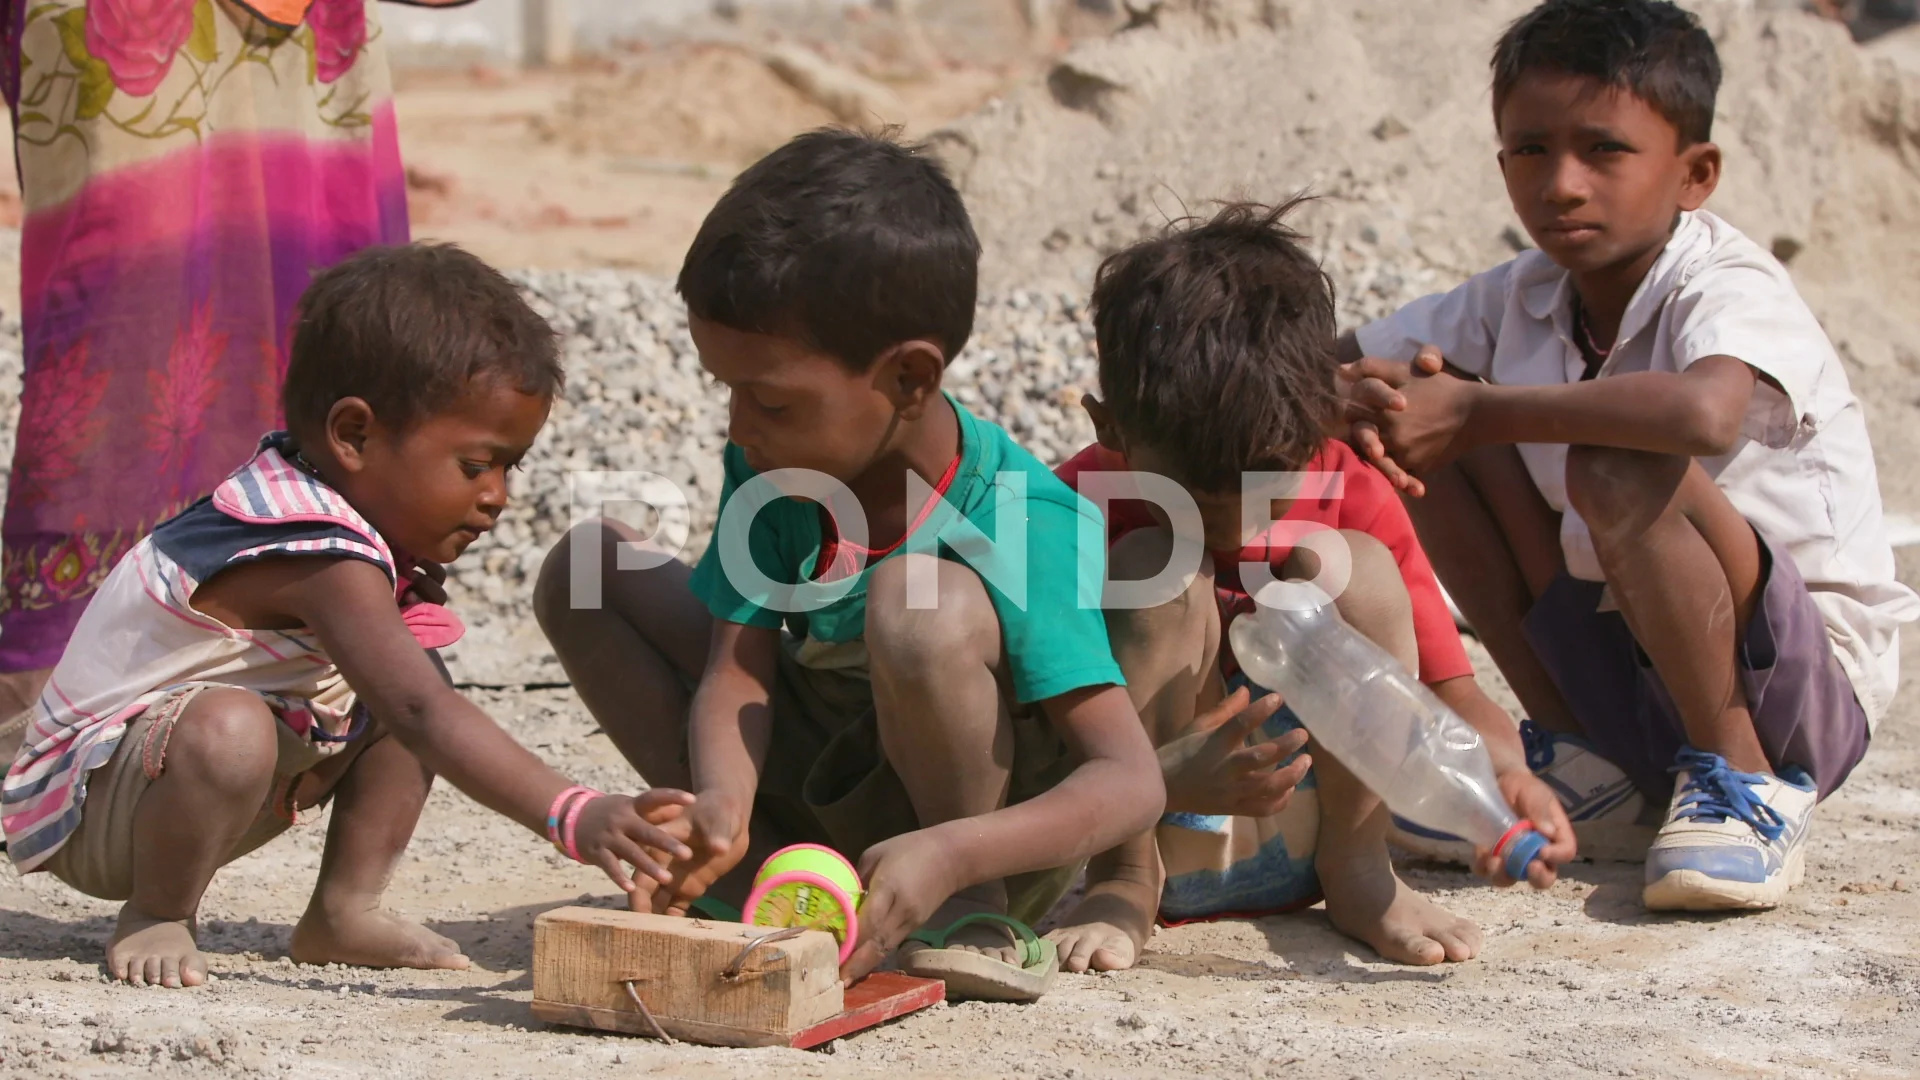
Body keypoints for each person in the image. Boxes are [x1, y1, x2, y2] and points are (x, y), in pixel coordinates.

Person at [534, 129, 1164, 1002]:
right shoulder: (778, 468)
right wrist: (720, 800)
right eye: (727, 387)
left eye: (770, 397)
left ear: (909, 377)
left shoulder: (1024, 518)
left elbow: (1129, 781)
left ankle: (973, 919)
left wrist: (954, 854)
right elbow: (736, 668)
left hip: (962, 842)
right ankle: (747, 873)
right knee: (587, 566)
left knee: (918, 602)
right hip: (824, 779)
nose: (736, 424)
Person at [1340, 0, 1919, 911]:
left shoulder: (1729, 282)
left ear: (1695, 175)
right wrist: (1352, 394)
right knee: (1415, 413)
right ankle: (1589, 767)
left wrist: (1484, 411)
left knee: (1612, 459)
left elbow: (1702, 413)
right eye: (1530, 151)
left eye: (1604, 150)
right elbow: (1341, 357)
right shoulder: (1520, 295)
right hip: (1621, 662)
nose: (1562, 184)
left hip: (1790, 689)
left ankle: (1744, 788)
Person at [1, 244, 696, 988]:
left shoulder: (343, 524)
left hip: (190, 781)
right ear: (354, 436)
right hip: (90, 807)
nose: (497, 495)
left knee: (414, 666)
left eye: (510, 467)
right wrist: (573, 812)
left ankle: (342, 911)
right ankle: (159, 912)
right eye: (475, 465)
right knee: (324, 710)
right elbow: (421, 713)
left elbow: (415, 699)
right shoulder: (311, 547)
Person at [1035, 201, 1575, 972]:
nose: (1229, 529)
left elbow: (1451, 692)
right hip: (1145, 823)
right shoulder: (1080, 502)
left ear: (1319, 419)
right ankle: (1121, 879)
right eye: (1192, 495)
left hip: (1317, 840)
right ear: (1110, 427)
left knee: (1350, 563)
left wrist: (1510, 778)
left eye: (1264, 493)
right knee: (1156, 566)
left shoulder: (1349, 486)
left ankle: (1363, 875)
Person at [0, 0, 475, 751]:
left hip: (305, 26)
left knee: (326, 317)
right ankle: (66, 700)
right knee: (126, 325)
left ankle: (323, 656)